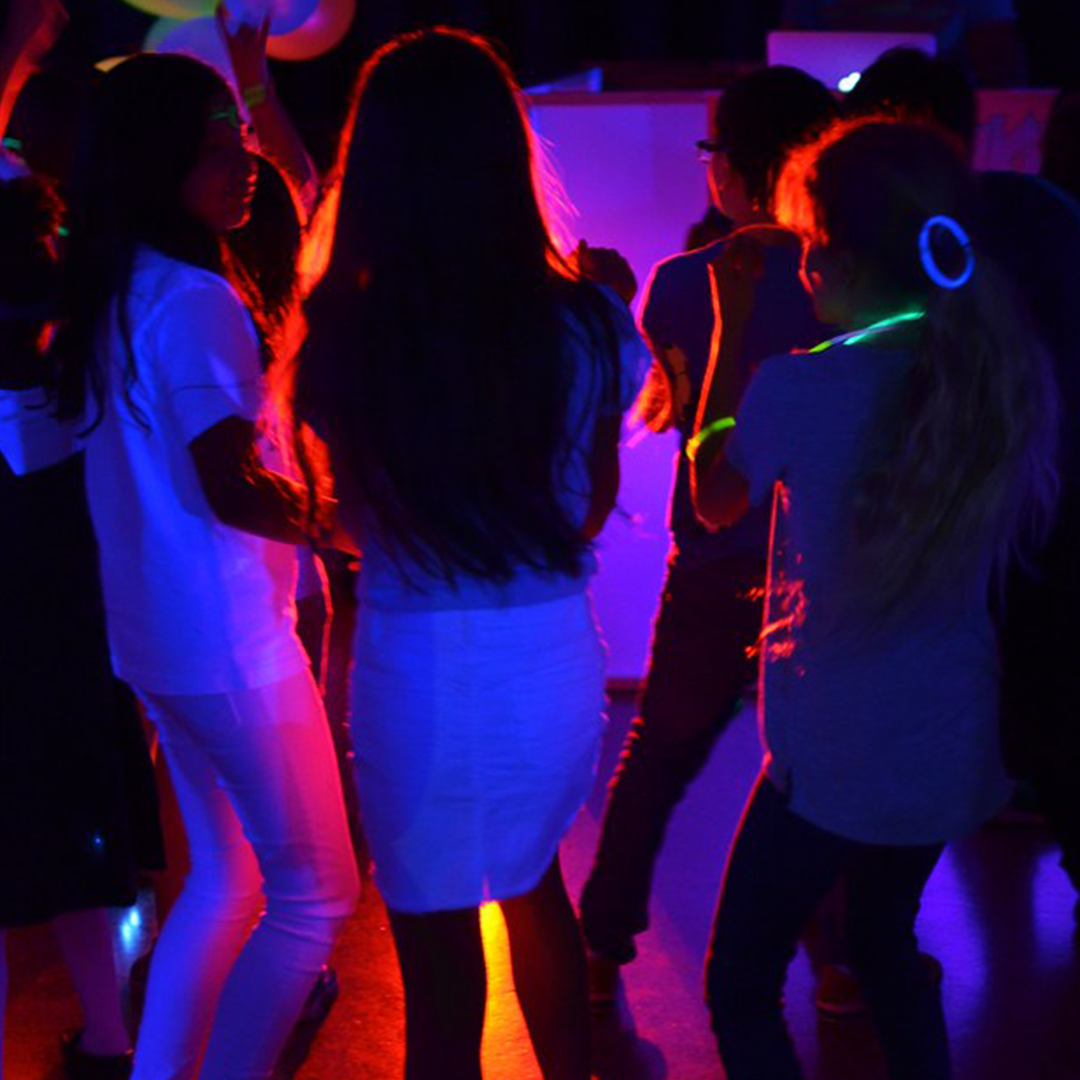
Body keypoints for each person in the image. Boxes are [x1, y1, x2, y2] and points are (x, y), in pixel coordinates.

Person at [286, 27, 646, 1080]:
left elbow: (350, 522)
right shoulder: (582, 319)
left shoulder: (346, 329)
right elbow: (586, 513)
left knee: (436, 953)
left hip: (416, 656)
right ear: (506, 148)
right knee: (539, 888)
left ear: (377, 160)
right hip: (548, 652)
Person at [692, 117, 1058, 1079]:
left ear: (841, 257)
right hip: (949, 742)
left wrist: (731, 324)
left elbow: (711, 494)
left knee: (739, 984)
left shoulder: (795, 390)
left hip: (833, 755)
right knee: (887, 944)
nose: (803, 267)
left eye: (811, 244)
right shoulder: (998, 376)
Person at [19, 53, 359, 1079]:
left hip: (158, 636)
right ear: (156, 158)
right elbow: (229, 482)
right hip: (230, 643)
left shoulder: (113, 286)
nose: (241, 160)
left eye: (240, 138)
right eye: (214, 145)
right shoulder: (194, 298)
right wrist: (350, 526)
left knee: (227, 880)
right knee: (319, 894)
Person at [578, 64, 837, 1005]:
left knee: (660, 752)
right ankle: (837, 956)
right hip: (826, 560)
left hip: (718, 553)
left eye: (712, 150)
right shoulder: (848, 278)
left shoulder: (683, 284)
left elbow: (677, 412)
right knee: (815, 763)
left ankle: (602, 936)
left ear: (738, 163)